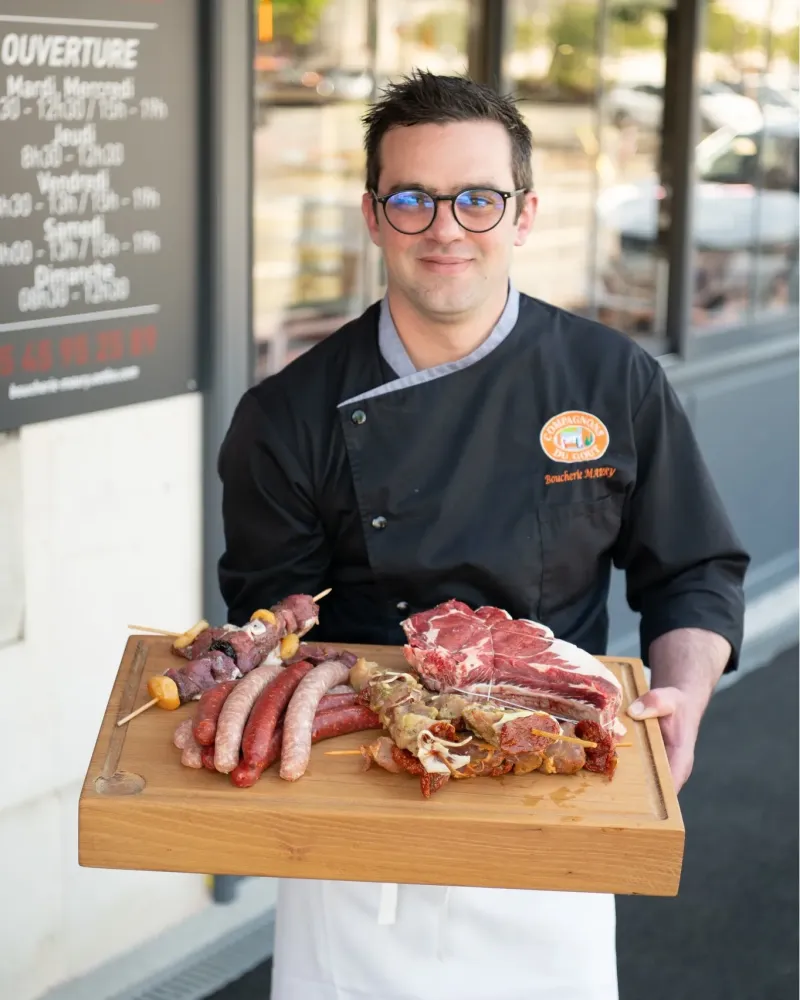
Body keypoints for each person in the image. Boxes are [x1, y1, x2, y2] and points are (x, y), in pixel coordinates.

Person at [218, 71, 749, 1000]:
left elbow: (695, 568)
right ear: (374, 216)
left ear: (524, 214)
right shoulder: (286, 415)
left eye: (476, 198)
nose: (446, 229)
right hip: (360, 817)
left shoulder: (613, 378)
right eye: (413, 200)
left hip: (555, 787)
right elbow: (276, 621)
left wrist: (685, 694)